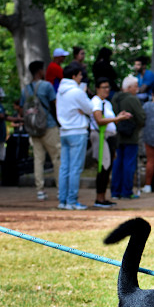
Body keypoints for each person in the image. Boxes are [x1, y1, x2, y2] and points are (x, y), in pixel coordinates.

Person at [56, 61, 92, 210]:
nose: (81, 78)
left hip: (64, 131)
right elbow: (90, 109)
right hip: (77, 131)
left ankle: (63, 200)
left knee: (64, 167)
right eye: (79, 76)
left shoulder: (60, 91)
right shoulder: (77, 92)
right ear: (74, 76)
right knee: (75, 168)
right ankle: (72, 201)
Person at [89, 78, 129, 208]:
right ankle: (99, 198)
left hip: (109, 137)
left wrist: (118, 117)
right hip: (102, 137)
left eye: (108, 87)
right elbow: (99, 120)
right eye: (104, 87)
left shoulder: (106, 103)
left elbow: (110, 120)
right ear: (97, 89)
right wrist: (117, 118)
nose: (106, 90)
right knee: (103, 167)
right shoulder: (96, 102)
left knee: (108, 166)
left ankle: (103, 197)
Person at [23, 60, 60, 201]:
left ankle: (40, 190)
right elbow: (55, 104)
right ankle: (60, 189)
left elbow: (22, 109)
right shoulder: (47, 86)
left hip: (33, 128)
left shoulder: (25, 89)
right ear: (40, 71)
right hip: (48, 125)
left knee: (38, 160)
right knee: (56, 157)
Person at [111, 75, 145, 200]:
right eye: (136, 86)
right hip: (131, 137)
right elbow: (141, 118)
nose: (137, 89)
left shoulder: (115, 98)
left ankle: (115, 191)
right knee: (129, 164)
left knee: (117, 163)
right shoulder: (133, 100)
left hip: (117, 136)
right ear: (129, 87)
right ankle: (126, 191)